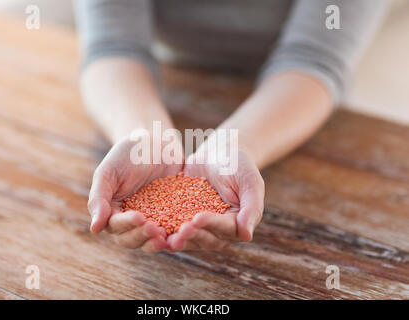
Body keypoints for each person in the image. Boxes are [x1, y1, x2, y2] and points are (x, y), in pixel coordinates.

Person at [73, 0, 387, 253]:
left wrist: (236, 145)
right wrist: (144, 136)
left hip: (297, 102)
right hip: (171, 83)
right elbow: (113, 46)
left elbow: (315, 60)